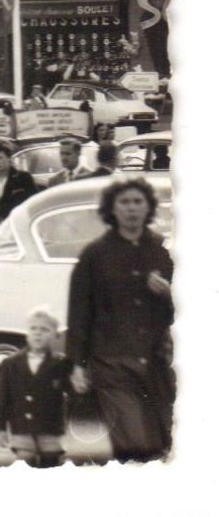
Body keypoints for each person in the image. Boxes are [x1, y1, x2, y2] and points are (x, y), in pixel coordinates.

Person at [67, 177, 174, 462]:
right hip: (112, 364)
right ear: (112, 209)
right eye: (124, 202)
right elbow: (79, 312)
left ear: (148, 206)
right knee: (136, 443)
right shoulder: (94, 255)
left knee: (164, 444)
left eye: (138, 201)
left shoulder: (165, 250)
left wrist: (169, 293)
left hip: (158, 364)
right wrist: (77, 364)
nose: (131, 208)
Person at [0, 306, 71, 467]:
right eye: (33, 328)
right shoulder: (10, 364)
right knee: (24, 463)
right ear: (27, 333)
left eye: (44, 329)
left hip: (50, 429)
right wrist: (0, 428)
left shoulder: (61, 363)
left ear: (55, 335)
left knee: (51, 464)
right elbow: (2, 399)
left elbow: (72, 395)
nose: (38, 333)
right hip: (21, 428)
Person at [0, 138, 36, 235]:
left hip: (17, 229)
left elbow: (32, 204)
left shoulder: (23, 177)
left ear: (9, 158)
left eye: (0, 158)